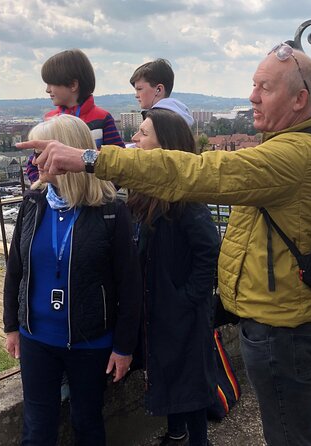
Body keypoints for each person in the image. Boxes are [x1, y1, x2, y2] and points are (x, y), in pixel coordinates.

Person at [20, 43, 311, 446]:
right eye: (254, 85)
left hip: (283, 329)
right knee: (285, 426)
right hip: (274, 320)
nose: (252, 96)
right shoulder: (289, 150)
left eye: (265, 87)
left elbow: (199, 174)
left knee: (290, 434)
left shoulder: (291, 157)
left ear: (299, 98)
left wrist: (90, 158)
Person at [4, 114, 141, 446]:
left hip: (91, 342)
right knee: (37, 428)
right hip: (36, 338)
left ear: (68, 152)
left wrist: (123, 347)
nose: (34, 162)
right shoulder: (34, 203)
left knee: (87, 422)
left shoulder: (110, 212)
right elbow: (16, 269)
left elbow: (130, 286)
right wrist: (12, 325)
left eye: (41, 151)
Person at [128, 108, 219, 446]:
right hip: (159, 307)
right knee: (167, 372)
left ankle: (198, 441)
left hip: (180, 308)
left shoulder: (185, 196)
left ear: (164, 143)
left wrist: (188, 297)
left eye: (143, 133)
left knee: (188, 382)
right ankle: (177, 433)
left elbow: (209, 248)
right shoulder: (145, 189)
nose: (135, 139)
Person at [26, 49, 124, 182]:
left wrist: (103, 193)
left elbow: (118, 163)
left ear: (73, 85)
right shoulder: (49, 121)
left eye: (51, 83)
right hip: (58, 199)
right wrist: (46, 186)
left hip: (94, 199)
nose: (47, 90)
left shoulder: (102, 118)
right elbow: (34, 164)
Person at [130, 58, 194, 127]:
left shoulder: (159, 122)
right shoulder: (178, 118)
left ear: (159, 89)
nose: (136, 95)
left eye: (139, 89)